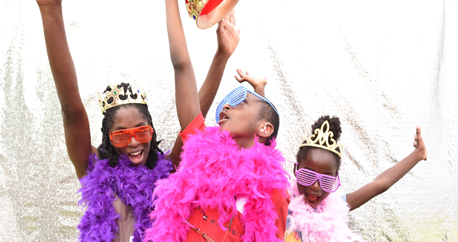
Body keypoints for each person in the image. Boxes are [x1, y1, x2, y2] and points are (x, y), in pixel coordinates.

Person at [36, 0, 240, 241]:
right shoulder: (91, 167)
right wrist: (50, 10)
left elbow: (193, 123)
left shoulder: (166, 172)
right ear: (109, 140)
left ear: (151, 132)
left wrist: (221, 57)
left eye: (141, 131)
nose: (133, 142)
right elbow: (72, 110)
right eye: (121, 135)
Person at [143, 1, 290, 241]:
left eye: (241, 103)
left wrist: (260, 99)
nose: (228, 106)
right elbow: (181, 65)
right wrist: (221, 54)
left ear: (265, 128)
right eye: (228, 105)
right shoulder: (201, 149)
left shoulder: (272, 190)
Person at [285, 115, 428, 242]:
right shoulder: (280, 200)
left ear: (336, 178)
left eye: (326, 181)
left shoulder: (335, 207)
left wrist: (418, 154)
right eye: (308, 175)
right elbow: (263, 164)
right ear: (296, 170)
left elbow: (380, 184)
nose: (316, 186)